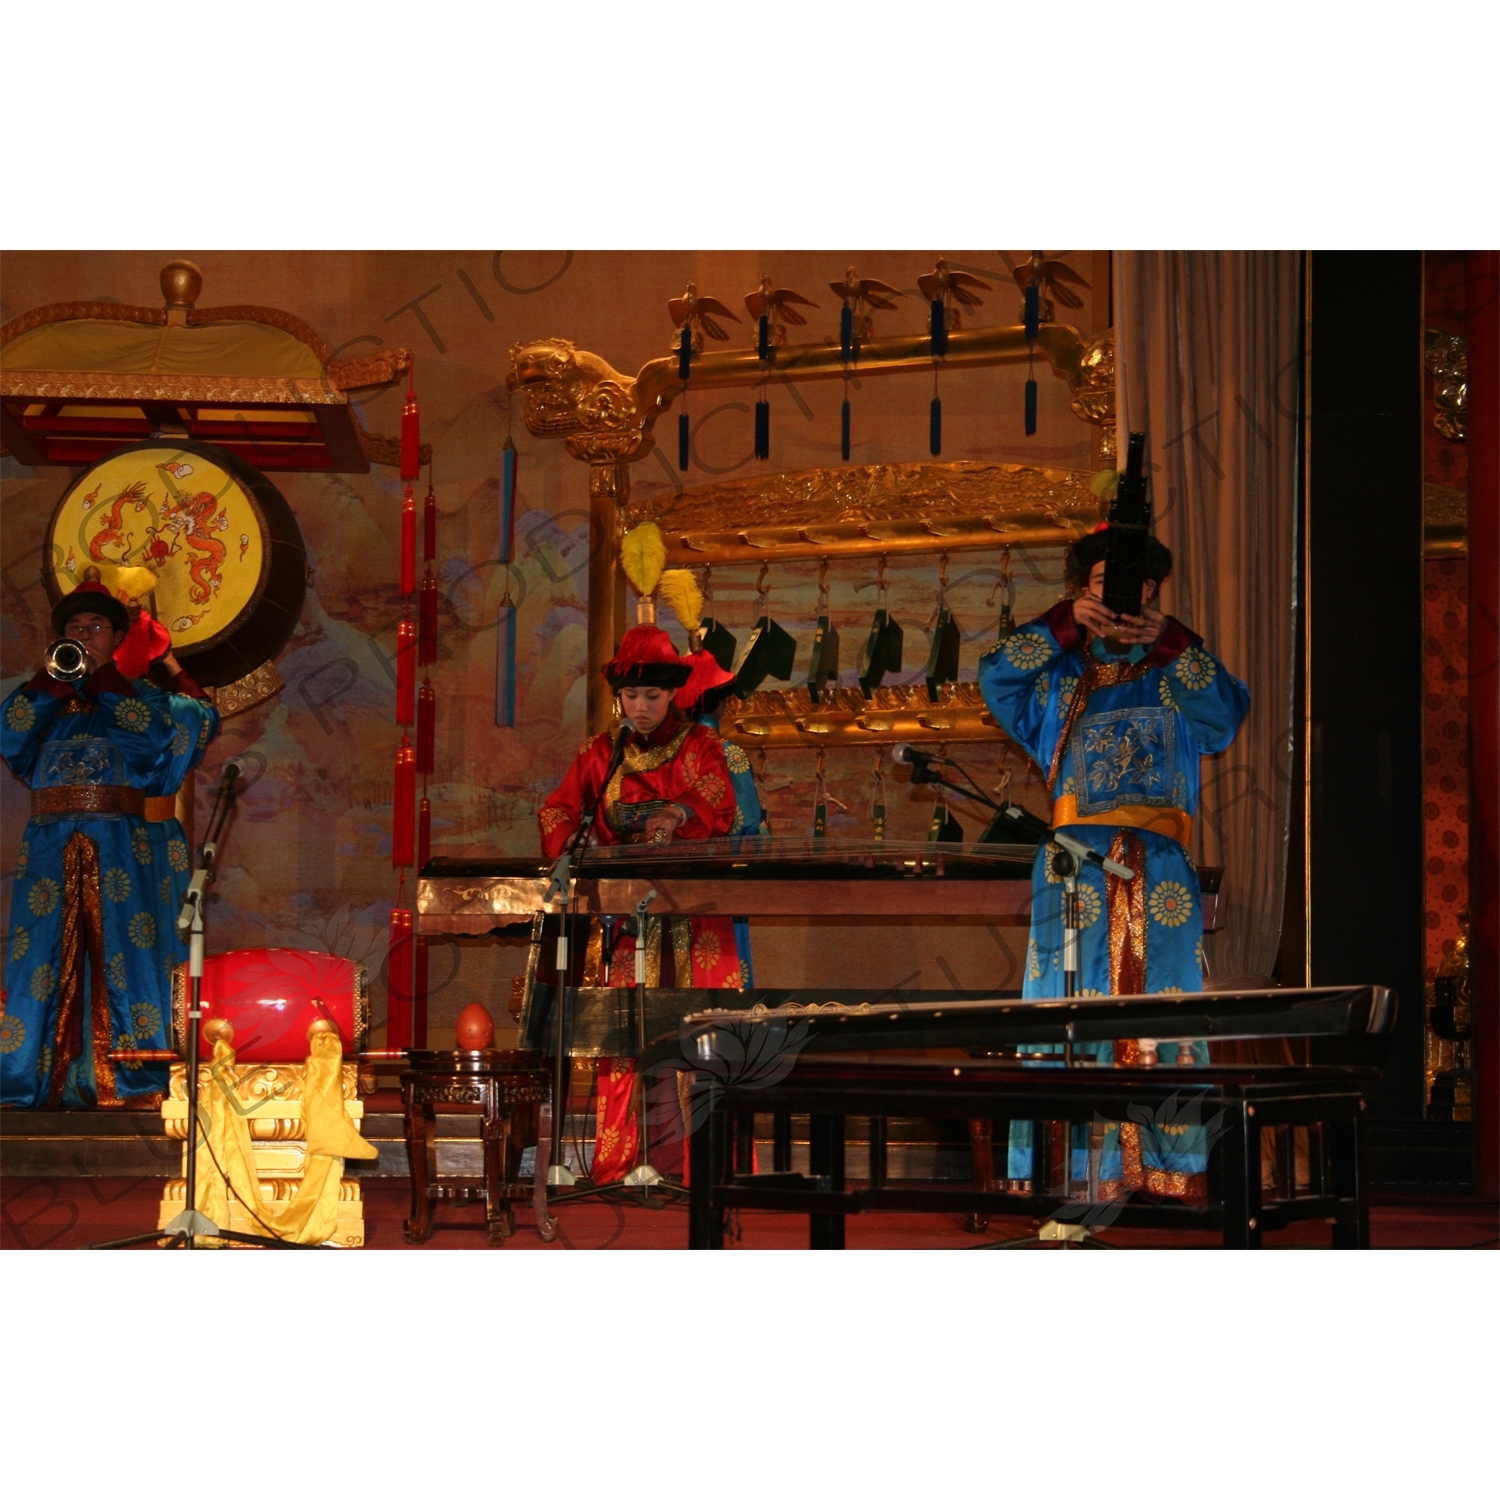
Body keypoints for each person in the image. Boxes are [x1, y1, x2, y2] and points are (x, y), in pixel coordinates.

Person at [977, 528, 1250, 1200]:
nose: (1122, 600)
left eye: (1138, 590)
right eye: (1103, 587)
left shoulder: (1175, 673)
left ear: (1155, 597)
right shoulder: (1057, 680)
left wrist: (1174, 641)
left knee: (1167, 1004)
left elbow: (1227, 714)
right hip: (1072, 863)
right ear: (1081, 591)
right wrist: (1062, 627)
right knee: (1065, 1004)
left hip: (1159, 865)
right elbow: (995, 676)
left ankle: (1167, 1171)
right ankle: (1065, 1171)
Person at [1, 580, 220, 1107]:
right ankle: (26, 1081)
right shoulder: (46, 696)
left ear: (118, 639)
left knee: (130, 955)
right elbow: (11, 735)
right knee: (39, 958)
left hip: (123, 845)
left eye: (94, 628)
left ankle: (135, 1079)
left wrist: (105, 680)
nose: (82, 635)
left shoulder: (144, 698)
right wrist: (53, 683)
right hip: (50, 845)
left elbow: (148, 745)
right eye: (73, 629)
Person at [537, 624, 740, 1182]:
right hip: (626, 916)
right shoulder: (601, 753)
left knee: (701, 1036)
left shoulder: (701, 746)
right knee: (622, 1036)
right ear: (618, 697)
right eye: (631, 696)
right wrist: (568, 851)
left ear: (672, 692)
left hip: (691, 913)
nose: (642, 706)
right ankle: (618, 1161)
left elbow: (718, 802)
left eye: (652, 696)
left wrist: (676, 814)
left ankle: (704, 1169)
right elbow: (557, 811)